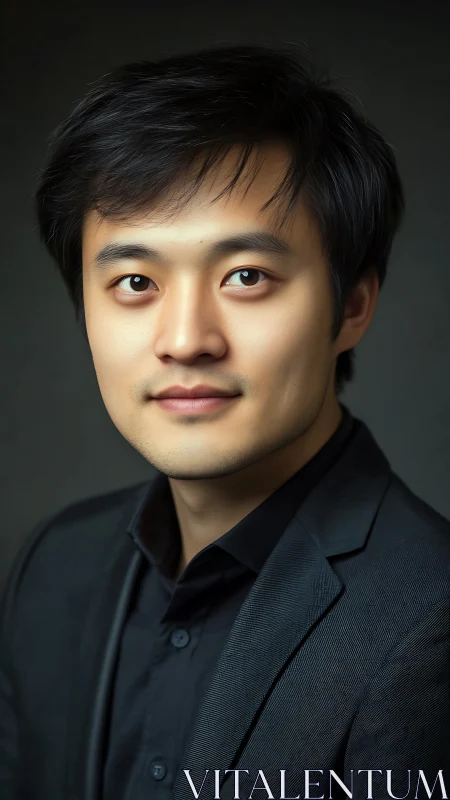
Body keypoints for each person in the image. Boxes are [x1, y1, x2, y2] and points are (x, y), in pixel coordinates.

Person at [1, 42, 449, 800]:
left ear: (351, 307)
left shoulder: (429, 616)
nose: (185, 339)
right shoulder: (55, 565)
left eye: (246, 276)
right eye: (135, 281)